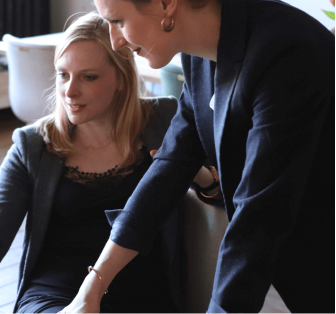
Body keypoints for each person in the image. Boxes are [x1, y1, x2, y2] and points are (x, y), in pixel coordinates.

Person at [0, 12, 217, 313]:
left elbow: (222, 193)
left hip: (144, 296)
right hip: (54, 295)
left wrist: (197, 175)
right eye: (63, 75)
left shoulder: (165, 118)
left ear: (121, 79)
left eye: (88, 77)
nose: (69, 91)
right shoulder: (34, 145)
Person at [62, 0, 335, 313]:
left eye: (118, 21)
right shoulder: (200, 56)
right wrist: (92, 287)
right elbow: (171, 164)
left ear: (166, 4)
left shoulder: (285, 49)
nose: (115, 41)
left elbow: (260, 215)